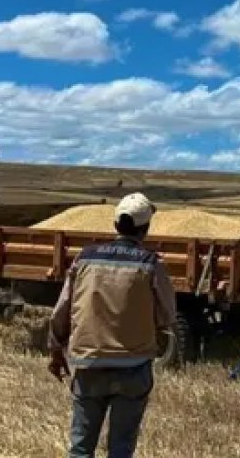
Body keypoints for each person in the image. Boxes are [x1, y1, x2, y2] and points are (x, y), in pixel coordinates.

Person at [48, 192, 178, 458]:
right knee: (121, 448)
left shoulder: (84, 258)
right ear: (145, 228)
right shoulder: (151, 263)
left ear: (116, 224)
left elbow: (62, 308)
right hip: (133, 366)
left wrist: (55, 348)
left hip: (88, 362)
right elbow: (167, 316)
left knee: (81, 448)